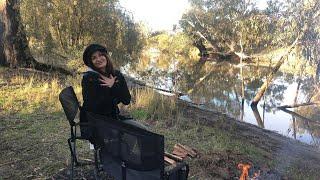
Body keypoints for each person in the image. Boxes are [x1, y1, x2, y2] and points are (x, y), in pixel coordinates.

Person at [81, 44, 146, 141]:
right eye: (94, 58)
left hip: (114, 118)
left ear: (106, 56)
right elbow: (92, 107)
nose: (98, 59)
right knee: (124, 139)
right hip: (96, 122)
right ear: (91, 62)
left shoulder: (117, 75)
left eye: (100, 55)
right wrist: (109, 89)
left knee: (143, 130)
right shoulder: (89, 78)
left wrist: (113, 86)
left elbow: (126, 100)